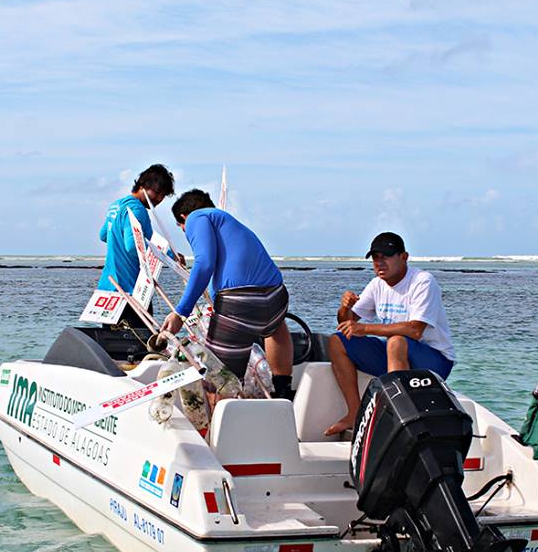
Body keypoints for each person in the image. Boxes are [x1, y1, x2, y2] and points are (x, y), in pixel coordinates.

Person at [158, 189, 294, 399]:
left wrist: (180, 313)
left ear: (183, 217)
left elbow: (204, 263)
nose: (185, 232)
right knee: (276, 329)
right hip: (276, 298)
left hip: (240, 305)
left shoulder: (197, 217)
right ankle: (283, 394)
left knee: (219, 381)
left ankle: (220, 421)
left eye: (181, 228)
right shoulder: (227, 222)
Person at [324, 232, 455, 436]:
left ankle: (398, 418)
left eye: (386, 256)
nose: (379, 262)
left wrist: (365, 329)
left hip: (434, 361)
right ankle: (354, 413)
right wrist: (345, 308)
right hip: (396, 354)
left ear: (404, 257)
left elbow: (415, 330)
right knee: (336, 341)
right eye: (376, 257)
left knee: (396, 341)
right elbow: (346, 324)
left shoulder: (422, 281)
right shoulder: (377, 284)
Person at [98, 164, 175, 326]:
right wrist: (171, 256)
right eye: (156, 192)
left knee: (111, 344)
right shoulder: (137, 209)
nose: (159, 199)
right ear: (142, 186)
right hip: (131, 291)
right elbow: (133, 246)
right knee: (141, 346)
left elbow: (104, 235)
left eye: (163, 195)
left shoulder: (116, 205)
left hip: (108, 288)